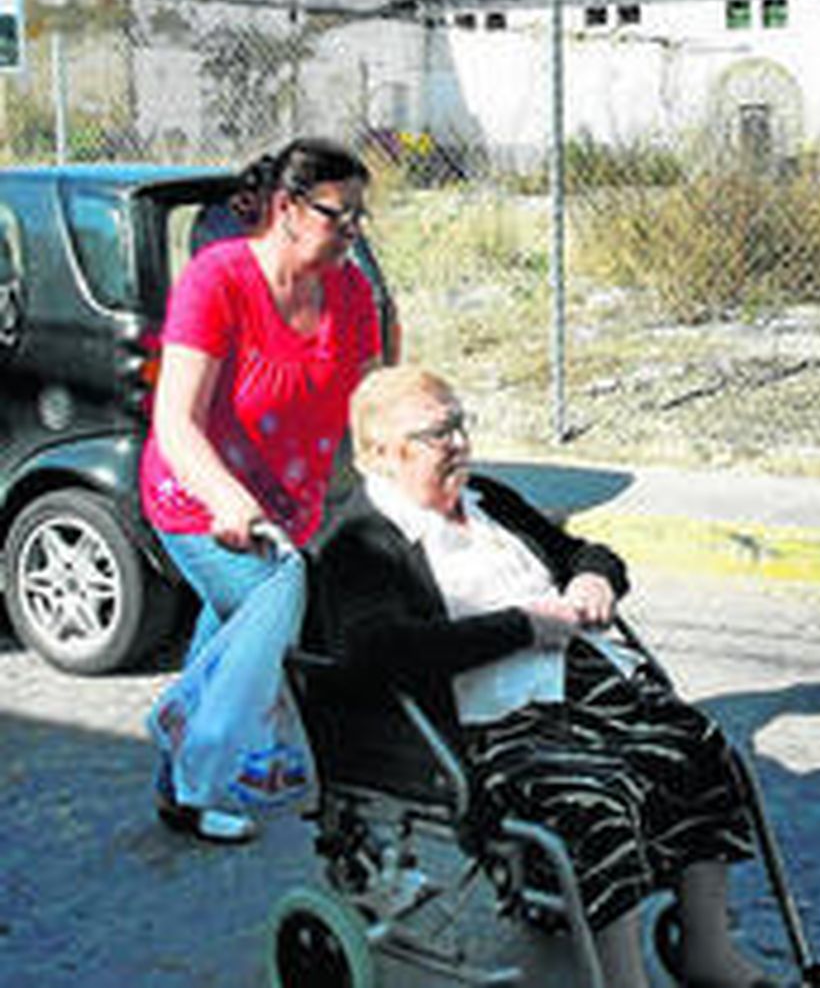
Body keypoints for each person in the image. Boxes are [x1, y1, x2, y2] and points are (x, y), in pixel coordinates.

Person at [314, 365, 772, 988]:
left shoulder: (488, 499)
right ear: (378, 455)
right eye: (433, 434)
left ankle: (708, 950)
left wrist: (592, 578)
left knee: (696, 746)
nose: (457, 444)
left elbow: (586, 552)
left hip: (576, 683)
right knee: (600, 801)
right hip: (486, 719)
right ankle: (622, 979)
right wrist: (522, 625)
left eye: (458, 425)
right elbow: (377, 651)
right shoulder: (360, 541)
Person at [142, 137, 382, 843]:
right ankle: (325, 784)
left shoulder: (349, 288)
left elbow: (371, 403)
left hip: (289, 509)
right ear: (286, 207)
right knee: (282, 624)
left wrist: (421, 441)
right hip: (198, 503)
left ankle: (181, 781)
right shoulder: (217, 280)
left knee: (230, 643)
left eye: (359, 217)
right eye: (340, 216)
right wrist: (227, 500)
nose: (352, 232)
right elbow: (177, 422)